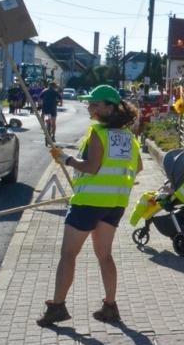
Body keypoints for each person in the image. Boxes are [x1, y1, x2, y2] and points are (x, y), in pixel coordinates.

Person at [38, 85, 143, 328]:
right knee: (104, 255)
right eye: (90, 104)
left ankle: (57, 307)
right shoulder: (128, 136)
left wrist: (66, 159)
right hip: (115, 204)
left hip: (88, 203)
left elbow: (92, 166)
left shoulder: (98, 133)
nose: (90, 108)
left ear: (110, 107)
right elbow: (137, 168)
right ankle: (110, 306)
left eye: (95, 104)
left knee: (68, 255)